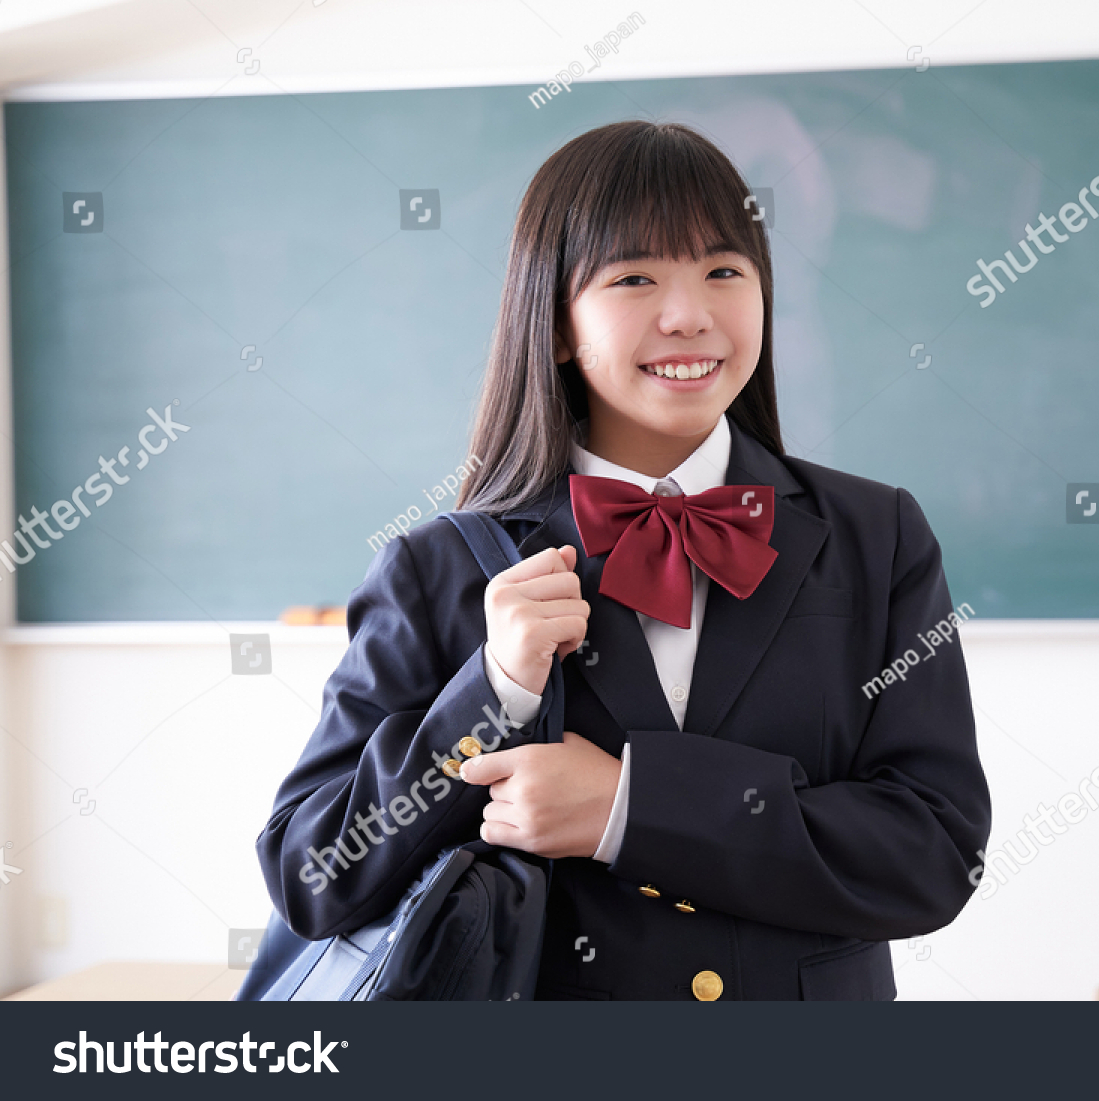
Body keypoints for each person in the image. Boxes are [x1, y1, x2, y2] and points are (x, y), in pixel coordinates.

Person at [253, 119, 991, 1000]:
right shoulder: (435, 568)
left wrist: (628, 808)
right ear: (557, 323)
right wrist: (493, 692)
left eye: (725, 271)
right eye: (635, 277)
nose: (690, 315)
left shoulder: (877, 534)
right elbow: (315, 871)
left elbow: (936, 853)